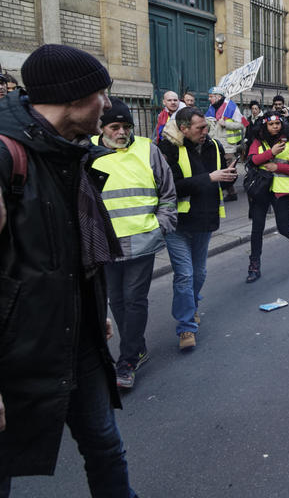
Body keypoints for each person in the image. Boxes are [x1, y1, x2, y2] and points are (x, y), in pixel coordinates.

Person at [0, 44, 137, 495]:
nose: (108, 105)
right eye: (101, 94)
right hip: (17, 352)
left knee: (105, 445)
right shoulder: (6, 155)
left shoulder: (70, 152)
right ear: (74, 99)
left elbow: (79, 249)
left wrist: (99, 309)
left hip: (79, 336)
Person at [93, 98, 177, 389]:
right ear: (102, 128)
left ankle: (127, 361)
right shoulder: (87, 151)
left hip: (142, 241)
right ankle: (137, 348)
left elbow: (168, 193)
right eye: (115, 127)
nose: (122, 132)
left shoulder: (147, 149)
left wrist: (160, 227)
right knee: (116, 300)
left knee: (133, 299)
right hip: (105, 245)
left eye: (126, 126)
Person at [159, 106, 237, 349]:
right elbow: (171, 187)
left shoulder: (214, 146)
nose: (206, 131)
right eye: (200, 128)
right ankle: (186, 327)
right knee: (185, 275)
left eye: (206, 127)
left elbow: (221, 182)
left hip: (204, 220)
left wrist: (229, 177)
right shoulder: (168, 148)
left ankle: (190, 305)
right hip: (178, 224)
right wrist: (211, 178)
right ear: (184, 129)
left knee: (199, 273)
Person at [245, 112, 289, 282]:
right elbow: (252, 160)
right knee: (257, 229)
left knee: (283, 227)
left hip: (281, 190)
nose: (275, 127)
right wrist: (271, 153)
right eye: (271, 124)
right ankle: (254, 266)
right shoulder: (258, 141)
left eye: (277, 124)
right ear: (264, 125)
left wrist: (277, 167)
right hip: (260, 189)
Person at [205, 87, 246, 202]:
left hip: (227, 146)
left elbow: (242, 125)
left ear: (218, 96)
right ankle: (229, 192)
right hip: (214, 143)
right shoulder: (211, 108)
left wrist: (225, 124)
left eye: (211, 96)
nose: (209, 99)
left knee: (228, 169)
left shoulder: (230, 107)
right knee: (218, 168)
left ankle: (230, 192)